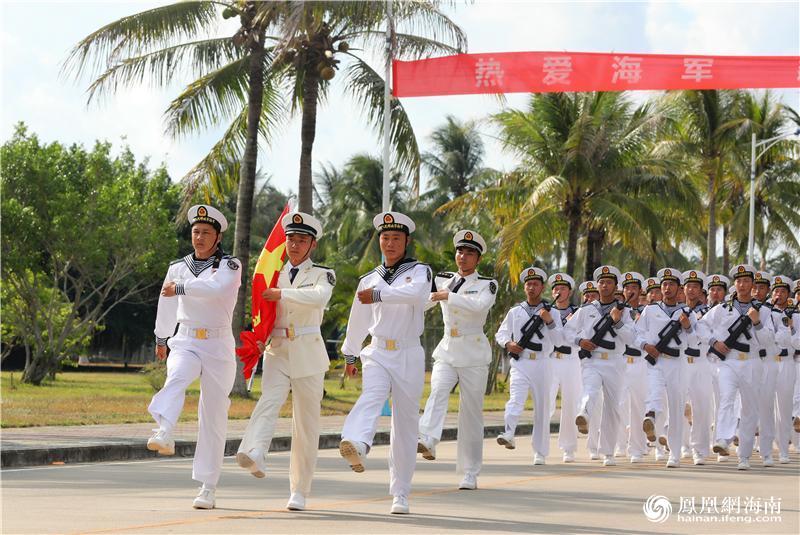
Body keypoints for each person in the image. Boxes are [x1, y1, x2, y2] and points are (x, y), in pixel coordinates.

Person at [235, 211, 334, 511]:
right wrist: (261, 333)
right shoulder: (272, 273)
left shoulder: (321, 273)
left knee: (305, 424)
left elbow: (319, 297)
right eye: (290, 239)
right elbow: (264, 310)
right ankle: (255, 450)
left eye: (301, 240)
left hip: (308, 350)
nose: (294, 245)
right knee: (269, 399)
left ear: (312, 245)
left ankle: (299, 490)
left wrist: (283, 294)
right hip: (277, 347)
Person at [147, 205, 241, 509]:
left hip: (218, 344)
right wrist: (162, 337)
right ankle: (164, 430)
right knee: (177, 376)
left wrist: (182, 288)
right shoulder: (177, 267)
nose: (199, 237)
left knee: (213, 415)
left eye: (206, 233)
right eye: (195, 232)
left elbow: (217, 289)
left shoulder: (230, 266)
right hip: (186, 337)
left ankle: (208, 486)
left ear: (218, 236)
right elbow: (166, 303)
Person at [338, 212, 431, 515]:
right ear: (379, 240)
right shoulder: (369, 278)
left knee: (404, 424)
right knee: (372, 395)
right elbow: (358, 319)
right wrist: (350, 353)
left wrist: (379, 294)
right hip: (377, 351)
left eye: (396, 238)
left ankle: (400, 492)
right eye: (385, 237)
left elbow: (417, 295)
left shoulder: (419, 272)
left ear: (407, 241)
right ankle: (357, 443)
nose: (389, 243)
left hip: (408, 352)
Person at [417, 230, 497, 490]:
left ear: (478, 259)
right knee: (437, 390)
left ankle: (470, 472)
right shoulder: (443, 279)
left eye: (469, 253)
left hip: (473, 353)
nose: (463, 257)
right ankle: (428, 438)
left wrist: (448, 296)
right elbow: (424, 303)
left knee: (470, 414)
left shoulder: (487, 284)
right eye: (460, 252)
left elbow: (478, 306)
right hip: (448, 348)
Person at [700, 264, 775, 470]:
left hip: (752, 362)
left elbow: (768, 340)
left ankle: (744, 455)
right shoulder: (722, 308)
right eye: (739, 281)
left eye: (746, 281)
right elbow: (701, 326)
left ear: (752, 285)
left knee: (750, 409)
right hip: (729, 361)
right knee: (726, 398)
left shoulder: (764, 311)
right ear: (735, 284)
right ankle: (723, 439)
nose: (742, 285)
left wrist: (757, 322)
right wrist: (715, 342)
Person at [495, 267, 563, 465]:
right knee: (515, 399)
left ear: (542, 287)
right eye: (528, 284)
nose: (531, 287)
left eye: (535, 284)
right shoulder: (516, 312)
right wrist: (509, 344)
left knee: (541, 408)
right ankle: (508, 432)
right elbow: (501, 333)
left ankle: (540, 452)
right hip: (521, 361)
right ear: (525, 287)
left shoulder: (553, 313)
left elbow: (559, 340)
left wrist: (549, 321)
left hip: (542, 362)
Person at [568, 265, 635, 467]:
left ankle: (608, 453)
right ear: (597, 285)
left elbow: (632, 338)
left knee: (613, 408)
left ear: (615, 286)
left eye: (609, 282)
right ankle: (584, 413)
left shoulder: (626, 311)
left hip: (615, 361)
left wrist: (617, 323)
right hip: (592, 359)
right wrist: (580, 341)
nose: (604, 285)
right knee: (590, 388)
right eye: (601, 282)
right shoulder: (586, 309)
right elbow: (567, 332)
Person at [638, 269, 696, 468]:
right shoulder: (650, 310)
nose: (667, 288)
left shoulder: (687, 313)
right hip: (655, 360)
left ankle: (675, 454)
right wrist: (646, 346)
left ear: (679, 289)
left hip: (676, 363)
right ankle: (651, 417)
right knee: (654, 392)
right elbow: (637, 334)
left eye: (671, 284)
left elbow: (696, 341)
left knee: (676, 408)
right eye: (664, 284)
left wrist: (687, 326)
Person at [680, 269, 713, 466]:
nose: (691, 290)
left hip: (701, 363)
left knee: (700, 408)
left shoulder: (708, 313)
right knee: (679, 406)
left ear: (701, 290)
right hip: (680, 362)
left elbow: (704, 338)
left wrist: (689, 327)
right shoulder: (675, 311)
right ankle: (682, 444)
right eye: (688, 286)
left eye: (695, 287)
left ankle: (699, 449)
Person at [547, 273, 581, 462]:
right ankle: (541, 446)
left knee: (570, 403)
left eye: (562, 288)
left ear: (569, 291)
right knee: (545, 402)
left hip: (570, 359)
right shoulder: (545, 311)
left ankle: (568, 448)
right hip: (550, 359)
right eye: (555, 289)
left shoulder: (578, 312)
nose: (559, 291)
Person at [764, 275, 794, 464]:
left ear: (788, 295)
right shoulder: (764, 312)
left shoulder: (795, 315)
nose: (778, 294)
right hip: (767, 362)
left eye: (782, 291)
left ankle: (783, 450)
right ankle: (766, 452)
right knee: (766, 408)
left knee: (784, 409)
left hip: (786, 362)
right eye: (776, 291)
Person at [618, 271, 648, 463]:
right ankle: (620, 444)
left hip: (640, 362)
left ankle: (637, 448)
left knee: (638, 406)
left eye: (634, 288)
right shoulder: (617, 311)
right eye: (627, 288)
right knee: (618, 405)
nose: (630, 291)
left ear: (640, 291)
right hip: (620, 361)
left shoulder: (649, 312)